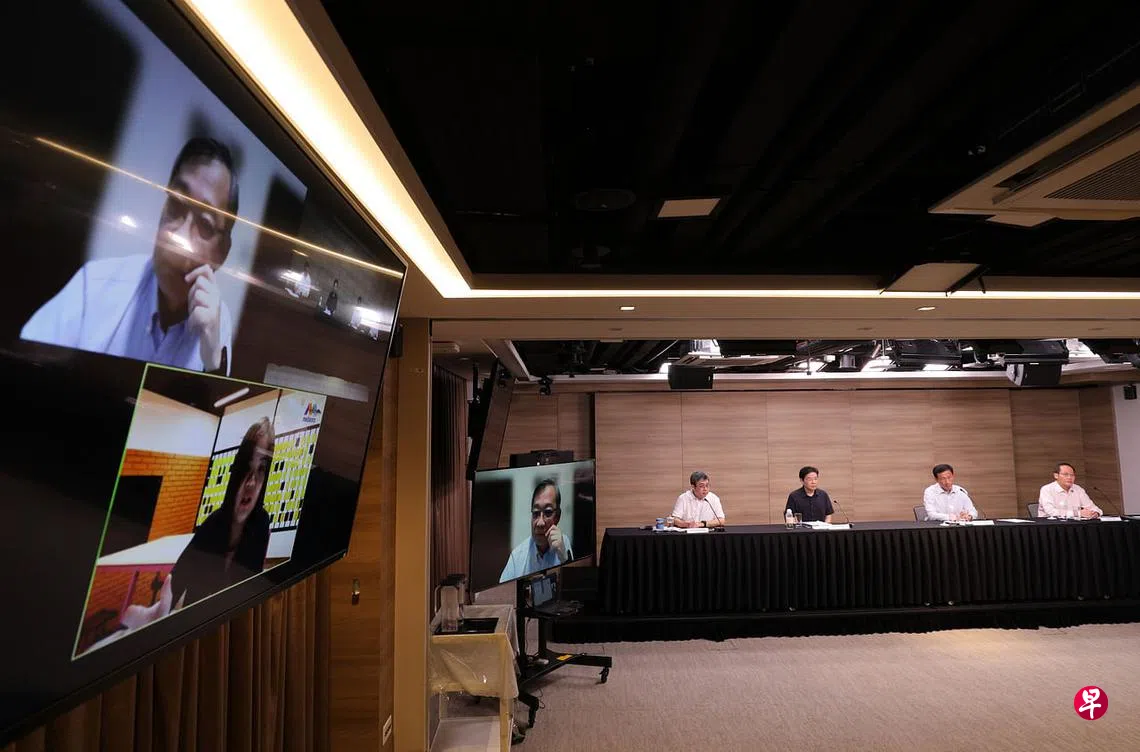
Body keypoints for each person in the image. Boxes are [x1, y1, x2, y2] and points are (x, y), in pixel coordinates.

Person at [22, 137, 238, 374]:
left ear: (222, 253)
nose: (179, 241)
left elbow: (214, 395)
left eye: (205, 224)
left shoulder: (216, 322)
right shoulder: (96, 284)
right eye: (176, 204)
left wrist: (213, 360)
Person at [120, 418, 275, 628]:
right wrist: (155, 612)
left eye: (261, 469)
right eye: (247, 468)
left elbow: (250, 592)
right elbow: (176, 584)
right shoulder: (213, 523)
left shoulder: (261, 524)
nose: (251, 482)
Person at [499, 479, 574, 582]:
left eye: (548, 512)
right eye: (536, 513)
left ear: (557, 516)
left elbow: (572, 585)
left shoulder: (564, 543)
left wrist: (564, 558)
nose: (540, 523)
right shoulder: (517, 557)